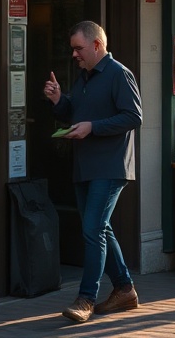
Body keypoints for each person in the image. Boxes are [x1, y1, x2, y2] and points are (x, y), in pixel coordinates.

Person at [44, 21, 143, 322]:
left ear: (97, 45)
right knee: (100, 228)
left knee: (92, 230)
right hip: (85, 166)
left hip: (110, 166)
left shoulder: (119, 74)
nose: (74, 54)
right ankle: (124, 289)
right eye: (73, 49)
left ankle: (86, 299)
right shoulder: (84, 77)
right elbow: (76, 114)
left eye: (79, 48)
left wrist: (93, 127)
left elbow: (134, 116)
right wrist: (59, 100)